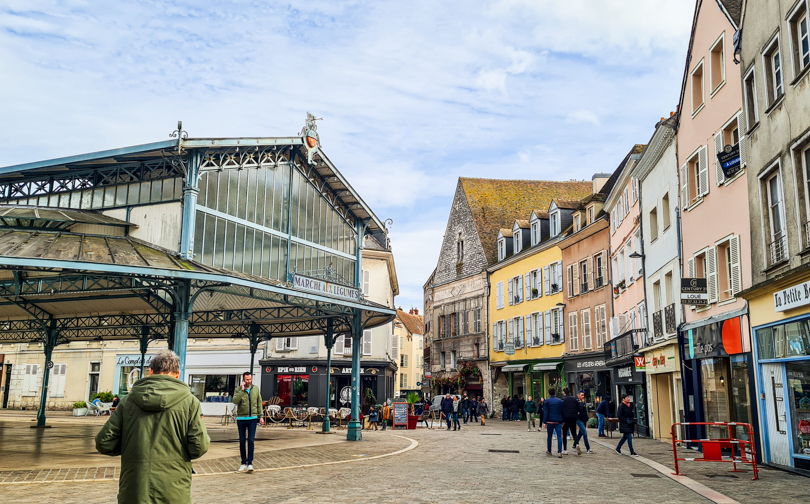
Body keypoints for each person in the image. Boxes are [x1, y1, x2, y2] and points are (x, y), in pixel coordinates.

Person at [95, 350, 209, 504]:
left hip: (135, 487)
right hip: (174, 488)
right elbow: (199, 446)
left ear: (151, 372)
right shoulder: (190, 402)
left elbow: (104, 442)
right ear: (177, 374)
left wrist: (132, 448)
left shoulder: (128, 401)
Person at [232, 371, 265, 473]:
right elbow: (235, 401)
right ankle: (243, 463)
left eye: (250, 379)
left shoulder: (255, 389)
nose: (249, 381)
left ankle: (250, 463)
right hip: (241, 419)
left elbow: (259, 403)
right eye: (247, 379)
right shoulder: (238, 390)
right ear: (243, 379)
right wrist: (242, 390)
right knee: (242, 441)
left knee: (251, 440)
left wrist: (261, 416)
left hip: (252, 418)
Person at [543, 388, 564, 457]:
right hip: (558, 421)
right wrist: (563, 420)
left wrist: (545, 422)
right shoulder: (560, 401)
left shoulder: (547, 401)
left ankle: (549, 450)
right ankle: (559, 451)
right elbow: (562, 412)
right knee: (559, 436)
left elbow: (546, 412)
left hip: (550, 421)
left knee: (549, 436)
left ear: (549, 393)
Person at [561, 388, 579, 455]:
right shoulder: (574, 399)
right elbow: (578, 407)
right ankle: (577, 444)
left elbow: (561, 409)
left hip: (565, 418)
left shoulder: (563, 399)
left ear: (564, 392)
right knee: (574, 433)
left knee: (564, 434)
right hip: (573, 418)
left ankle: (565, 449)